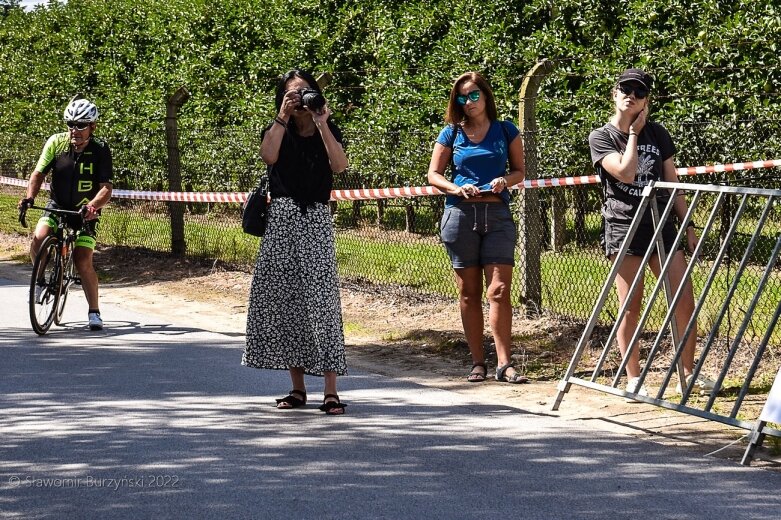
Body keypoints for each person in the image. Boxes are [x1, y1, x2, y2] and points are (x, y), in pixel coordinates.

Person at [588, 68, 716, 397]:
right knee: (631, 305)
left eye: (639, 92)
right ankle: (634, 377)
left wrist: (687, 223)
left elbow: (672, 181)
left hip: (662, 225)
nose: (631, 95)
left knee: (683, 300)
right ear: (613, 94)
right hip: (624, 226)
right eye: (625, 89)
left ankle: (687, 376)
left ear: (647, 99)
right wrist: (633, 134)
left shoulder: (658, 133)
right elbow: (627, 174)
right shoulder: (600, 137)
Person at [242, 69, 349, 415]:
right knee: (288, 304)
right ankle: (297, 387)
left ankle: (330, 390)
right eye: (292, 93)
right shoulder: (277, 129)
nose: (300, 98)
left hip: (315, 220)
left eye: (305, 92)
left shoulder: (326, 130)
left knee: (323, 304)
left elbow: (340, 165)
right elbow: (268, 157)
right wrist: (282, 116)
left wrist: (322, 123)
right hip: (281, 221)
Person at [427, 72, 527, 384]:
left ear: (485, 96)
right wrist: (456, 189)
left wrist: (505, 180)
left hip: (497, 215)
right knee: (469, 293)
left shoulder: (505, 130)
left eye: (473, 95)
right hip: (460, 216)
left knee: (498, 290)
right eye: (462, 97)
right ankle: (477, 362)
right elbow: (433, 174)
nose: (468, 102)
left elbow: (520, 171)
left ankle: (505, 363)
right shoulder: (451, 133)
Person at [18, 97, 113, 331]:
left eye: (81, 125)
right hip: (57, 204)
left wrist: (92, 207)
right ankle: (39, 279)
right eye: (70, 124)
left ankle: (94, 311)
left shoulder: (100, 149)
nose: (75, 130)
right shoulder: (56, 143)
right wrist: (30, 197)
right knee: (39, 238)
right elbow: (38, 173)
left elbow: (106, 188)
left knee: (82, 259)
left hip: (85, 210)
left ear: (93, 126)